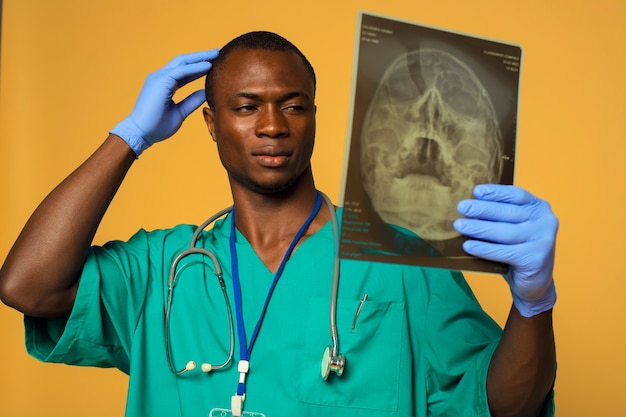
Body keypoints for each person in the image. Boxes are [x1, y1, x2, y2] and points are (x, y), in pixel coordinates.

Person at [0, 31, 557, 417]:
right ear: (210, 124)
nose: (272, 125)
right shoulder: (161, 270)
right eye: (246, 107)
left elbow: (505, 406)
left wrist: (533, 304)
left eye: (293, 105)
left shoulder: (404, 262)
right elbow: (26, 285)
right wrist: (129, 138)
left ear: (314, 117)